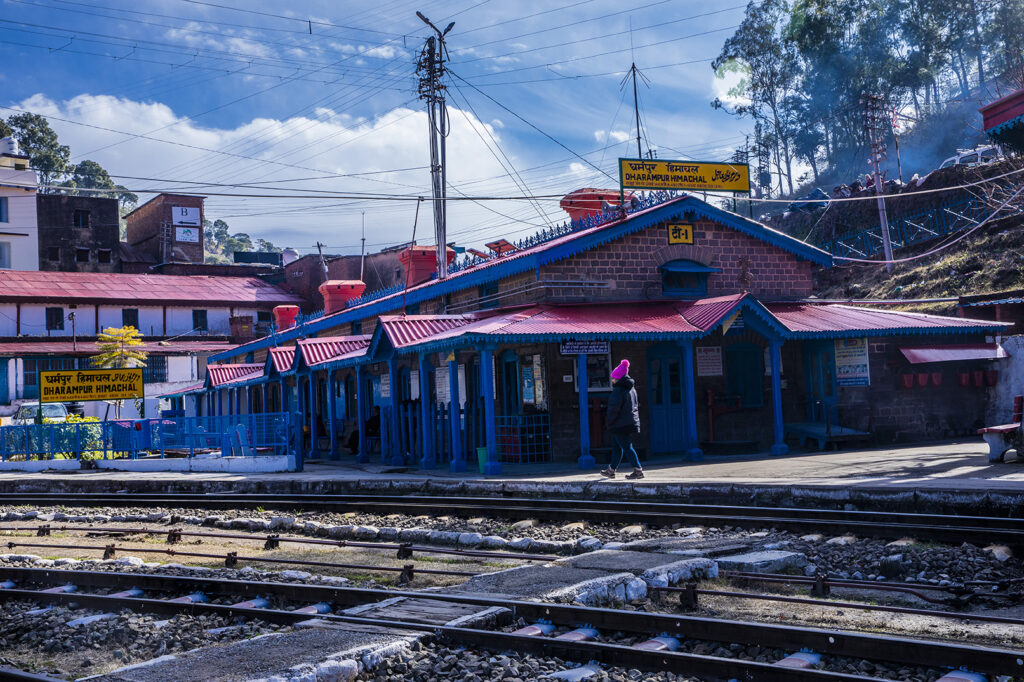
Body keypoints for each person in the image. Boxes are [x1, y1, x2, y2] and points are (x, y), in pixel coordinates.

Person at [600, 359, 643, 480]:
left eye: (613, 378)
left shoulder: (618, 390)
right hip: (628, 422)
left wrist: (609, 422)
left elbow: (613, 409)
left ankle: (638, 470)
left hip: (619, 424)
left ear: (618, 378)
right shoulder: (631, 389)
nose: (612, 380)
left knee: (627, 447)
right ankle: (611, 470)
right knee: (617, 447)